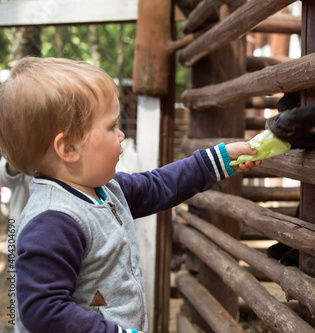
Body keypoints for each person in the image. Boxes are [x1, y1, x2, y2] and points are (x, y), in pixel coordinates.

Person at [0, 57, 261, 333]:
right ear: (69, 148)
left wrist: (215, 161)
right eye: (111, 126)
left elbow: (159, 186)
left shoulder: (106, 189)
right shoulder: (54, 222)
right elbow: (43, 311)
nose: (121, 134)